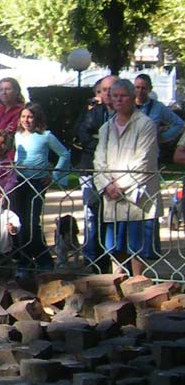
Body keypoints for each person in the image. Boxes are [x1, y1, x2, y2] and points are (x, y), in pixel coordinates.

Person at [93, 79, 161, 277]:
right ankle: (118, 284)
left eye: (123, 95)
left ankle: (139, 285)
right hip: (112, 197)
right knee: (115, 246)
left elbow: (144, 160)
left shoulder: (145, 124)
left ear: (132, 98)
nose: (119, 100)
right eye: (115, 96)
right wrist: (106, 186)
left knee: (137, 247)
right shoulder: (106, 127)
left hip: (136, 196)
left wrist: (120, 186)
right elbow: (99, 160)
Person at [12, 102, 70, 272]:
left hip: (37, 182)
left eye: (30, 117)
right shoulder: (18, 136)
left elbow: (64, 154)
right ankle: (24, 259)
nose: (26, 120)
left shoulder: (46, 136)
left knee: (32, 222)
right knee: (18, 222)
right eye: (23, 117)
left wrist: (55, 175)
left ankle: (44, 258)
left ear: (37, 118)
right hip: (19, 181)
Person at [74, 74, 116, 270]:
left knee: (113, 215)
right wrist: (103, 144)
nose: (107, 94)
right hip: (90, 167)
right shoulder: (93, 112)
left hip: (116, 172)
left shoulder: (127, 114)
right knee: (92, 214)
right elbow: (82, 135)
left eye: (111, 89)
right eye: (104, 90)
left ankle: (114, 258)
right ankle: (93, 259)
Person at [134, 73, 184, 151]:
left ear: (150, 89)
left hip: (149, 153)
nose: (140, 91)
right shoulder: (126, 105)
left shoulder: (158, 107)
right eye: (137, 87)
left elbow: (179, 124)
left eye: (143, 88)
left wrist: (163, 137)